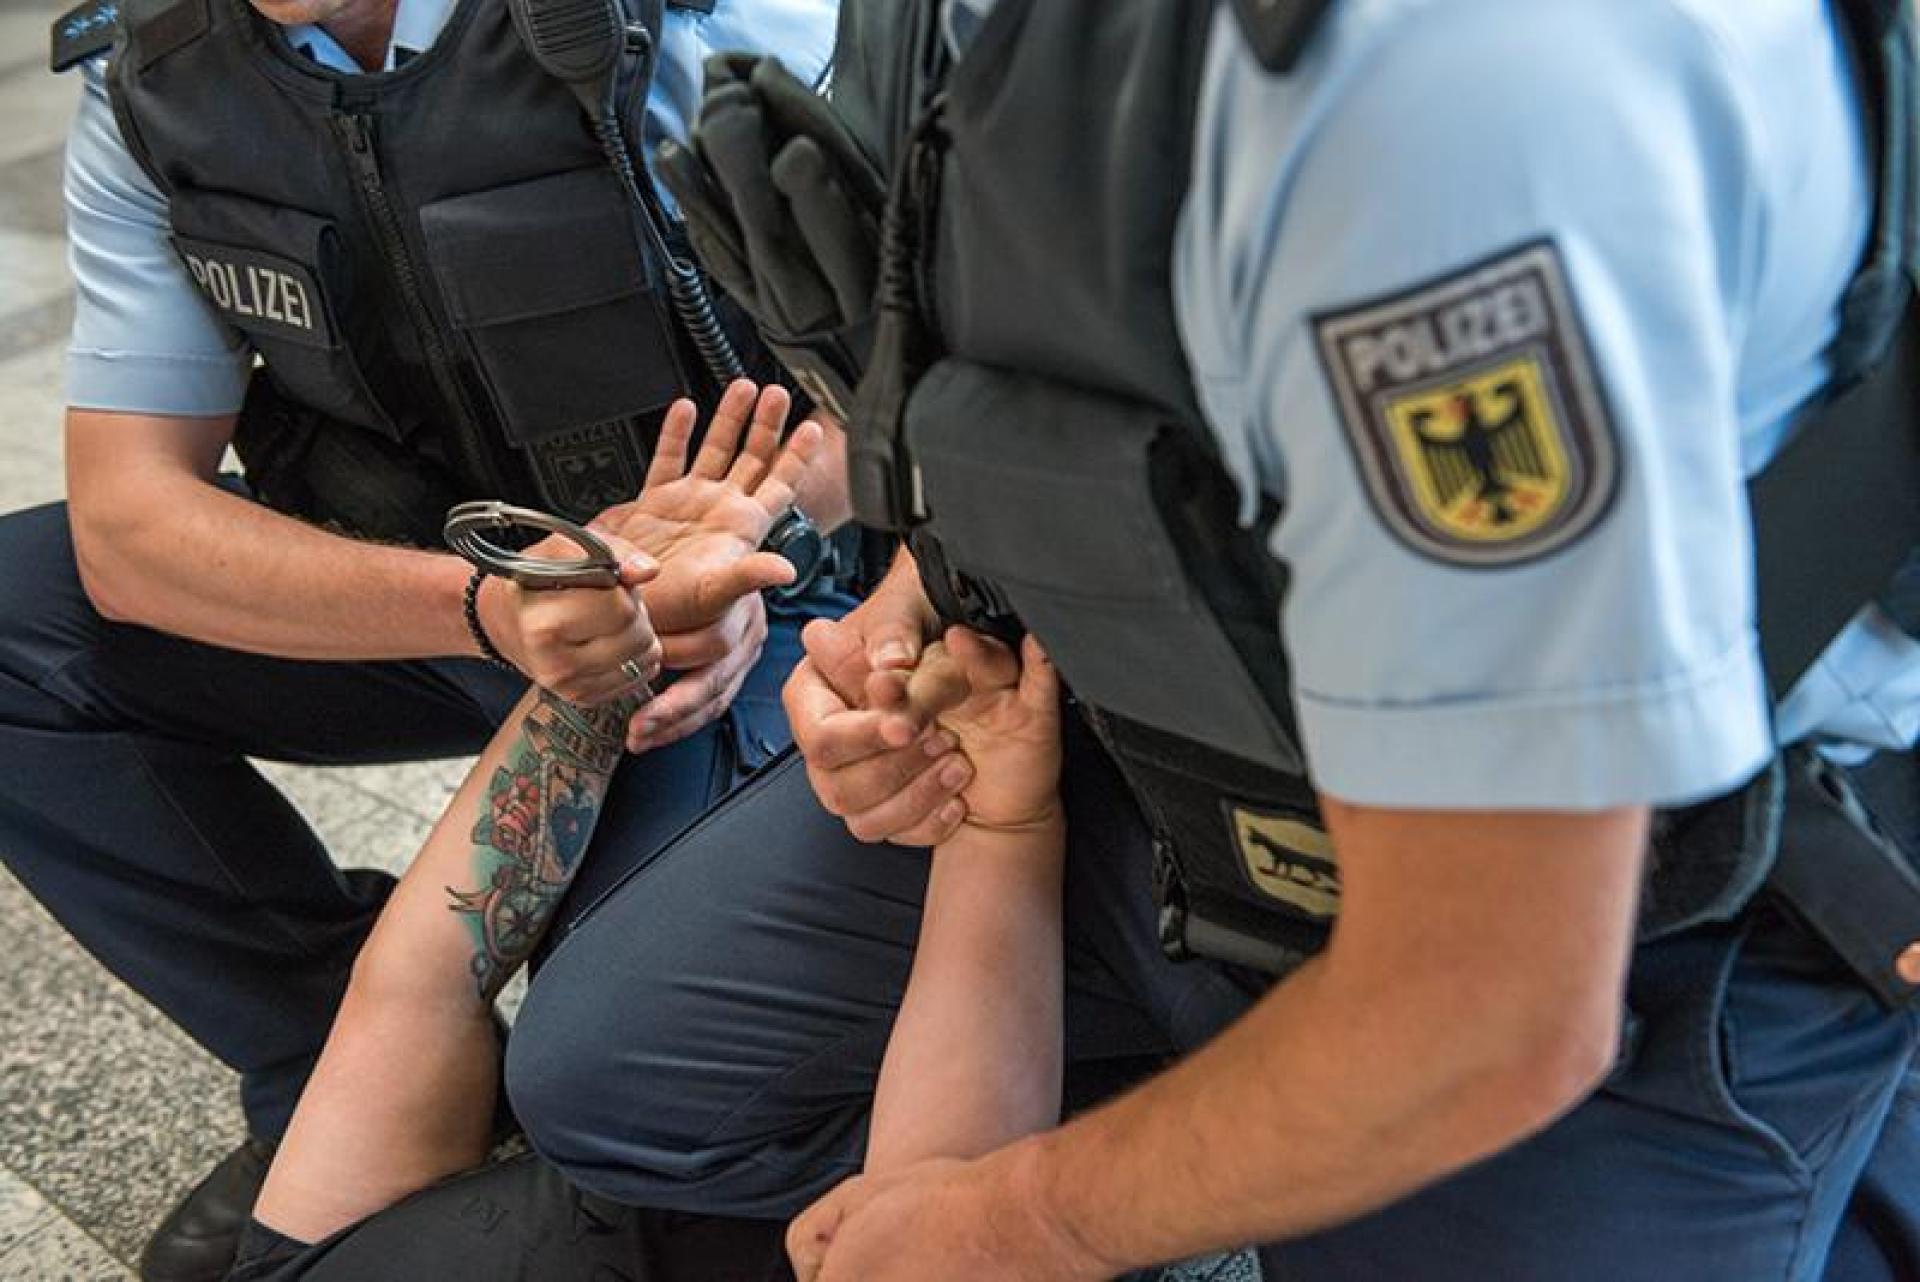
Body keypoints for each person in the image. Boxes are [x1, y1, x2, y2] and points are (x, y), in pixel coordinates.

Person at [644, 0, 1920, 1277]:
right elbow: (1092, 331)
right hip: (1173, 735)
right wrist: (927, 590)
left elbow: (1496, 997)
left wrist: (1024, 1222)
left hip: (1642, 899)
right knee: (638, 1084)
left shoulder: (1462, 102)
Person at [5, 1, 837, 1279]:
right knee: (15, 625)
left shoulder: (701, 23)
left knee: (626, 1071)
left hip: (720, 611)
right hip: (450, 592)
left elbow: (923, 372)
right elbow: (132, 522)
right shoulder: (158, 83)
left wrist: (734, 543)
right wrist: (488, 607)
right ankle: (333, 1053)